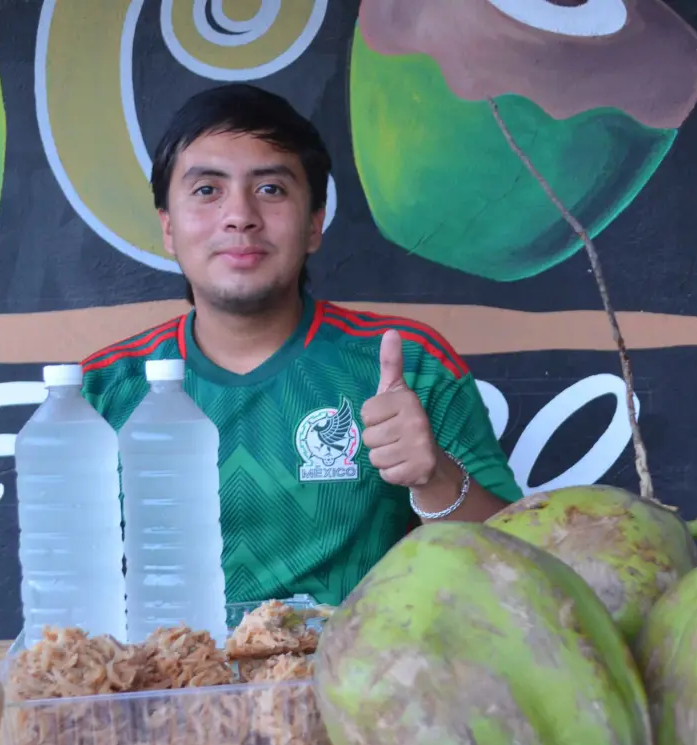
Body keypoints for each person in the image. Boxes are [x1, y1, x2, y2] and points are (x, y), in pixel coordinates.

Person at [80, 83, 523, 608]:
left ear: (315, 223)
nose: (239, 215)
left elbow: (517, 564)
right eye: (207, 190)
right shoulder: (104, 390)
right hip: (171, 682)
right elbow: (73, 595)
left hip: (359, 678)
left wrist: (435, 478)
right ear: (168, 228)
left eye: (270, 189)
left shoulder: (410, 365)